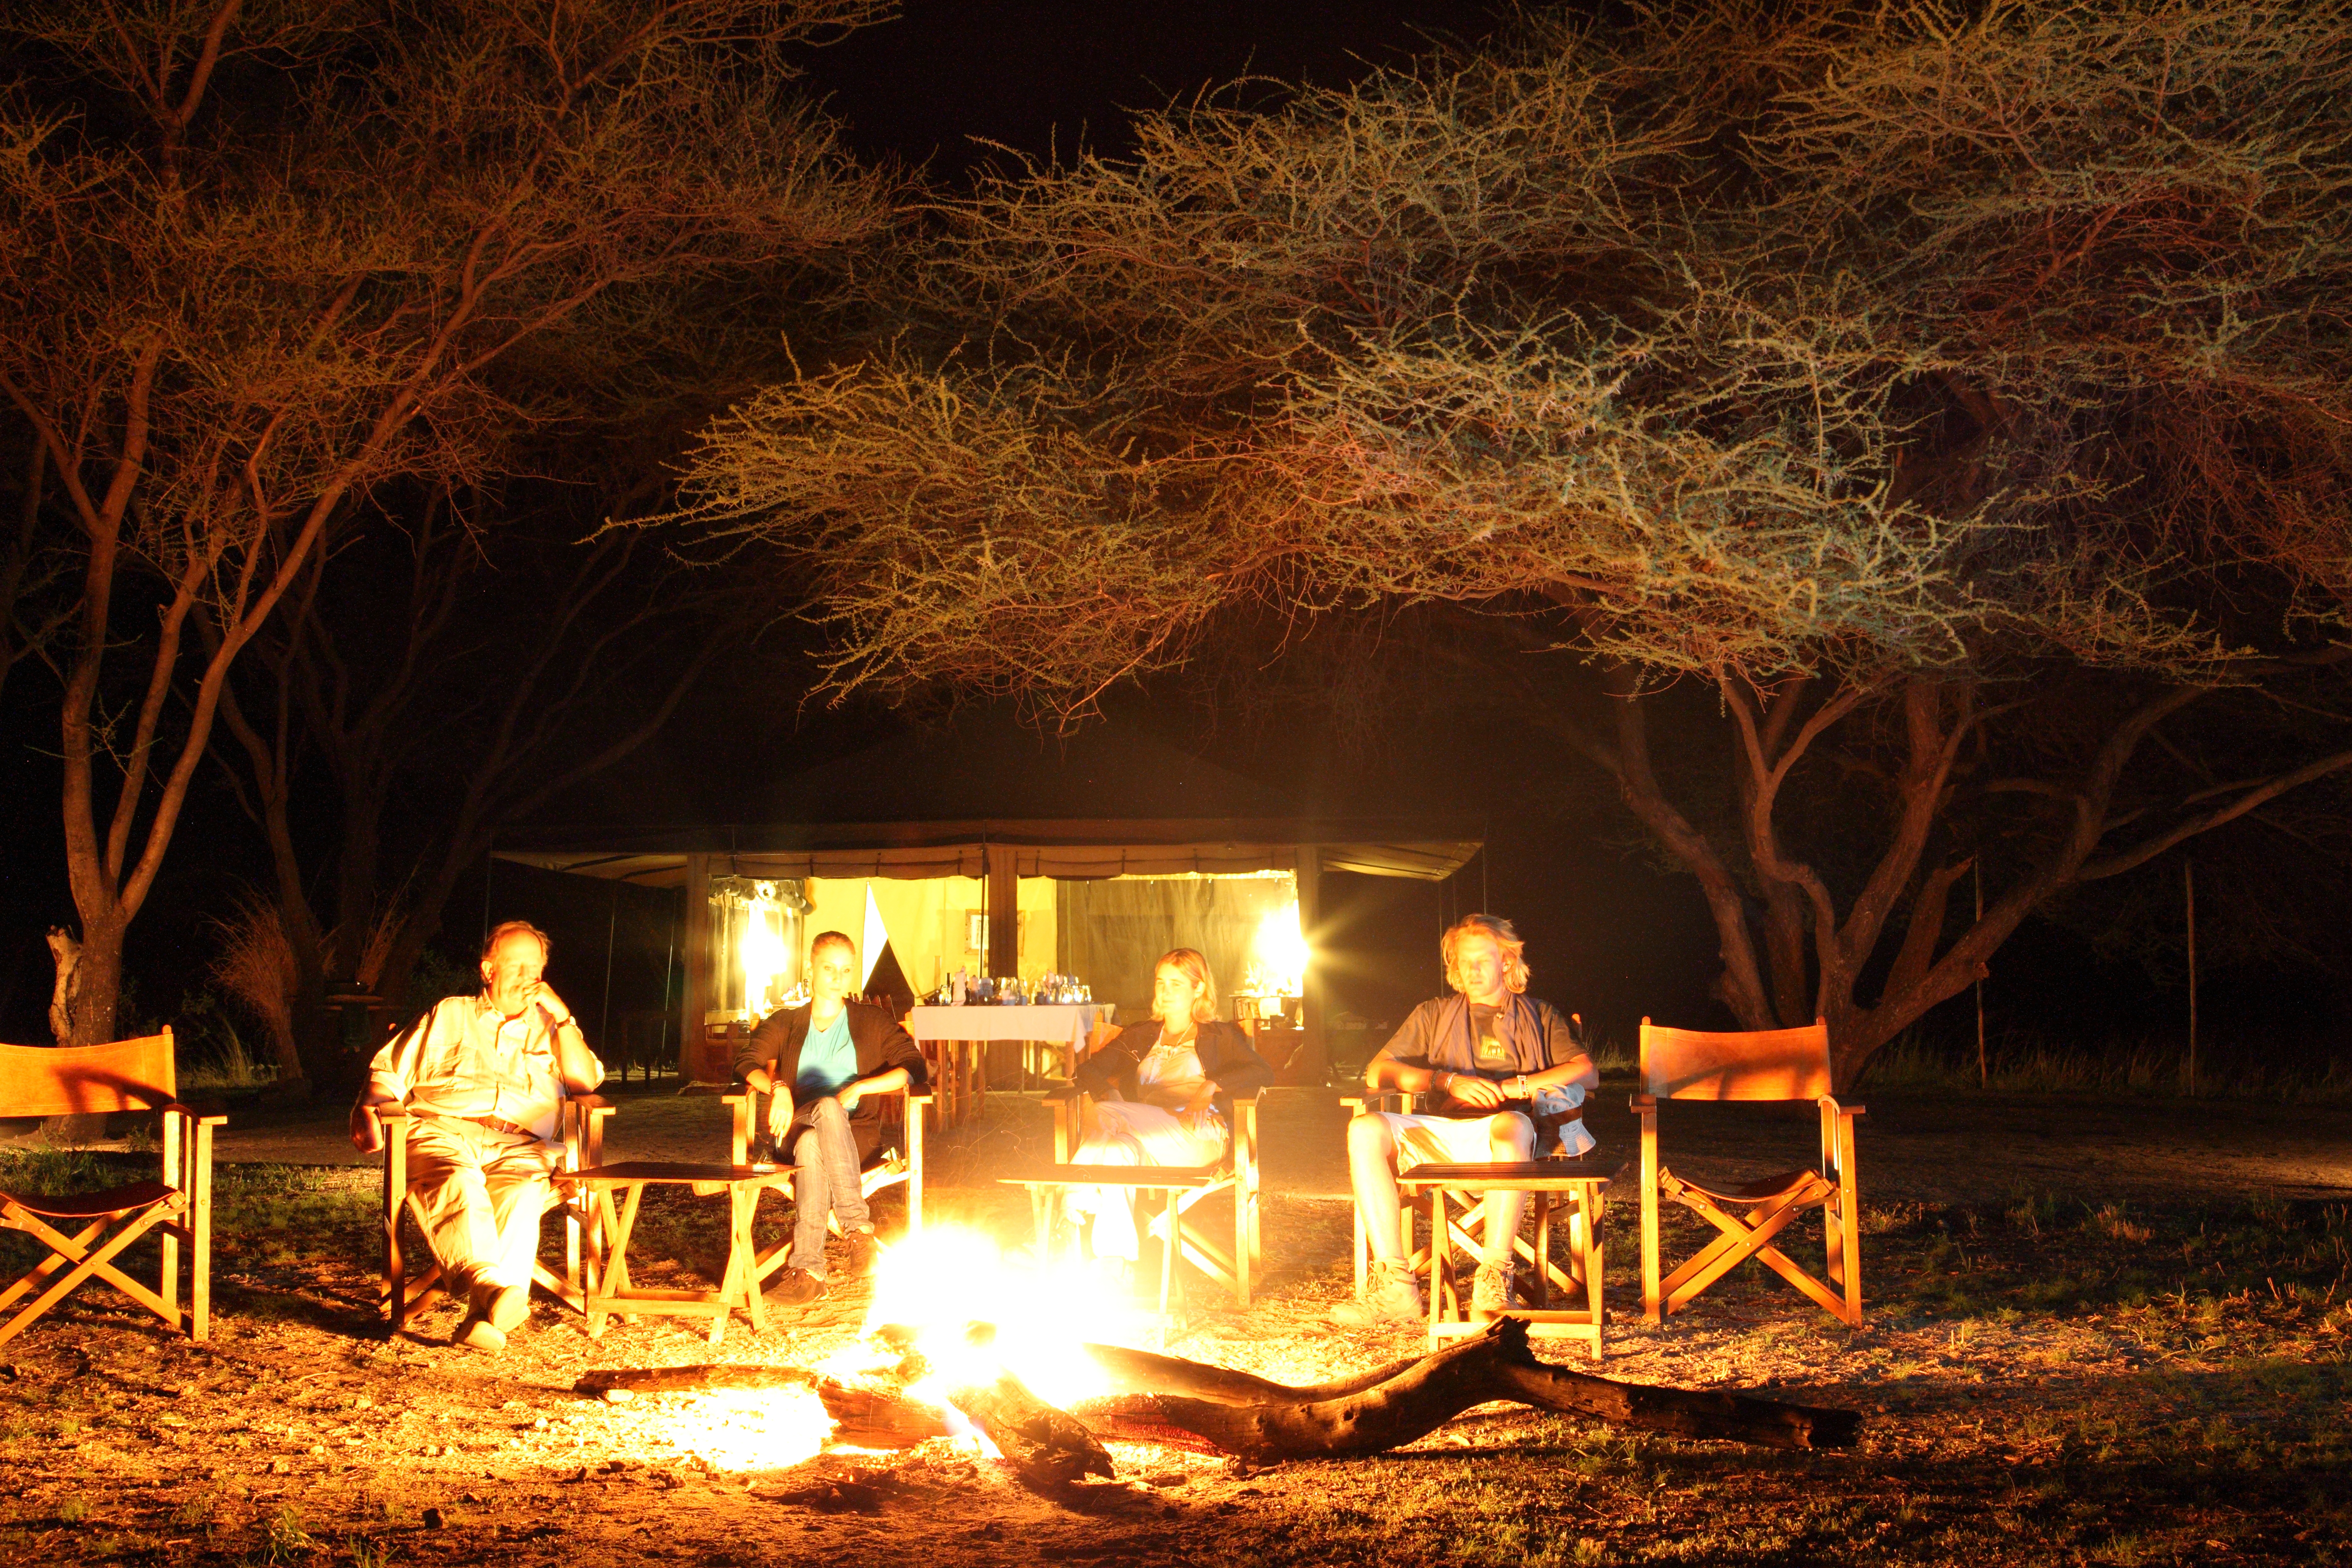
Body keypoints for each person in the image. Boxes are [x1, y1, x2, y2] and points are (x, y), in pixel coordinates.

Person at [350, 920, 606, 1352]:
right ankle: (489, 1293)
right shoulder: (448, 1013)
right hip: (443, 1132)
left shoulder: (553, 1027)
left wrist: (563, 1019)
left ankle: (482, 1313)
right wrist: (364, 1106)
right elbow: (388, 1073)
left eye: (537, 967)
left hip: (521, 1147)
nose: (531, 978)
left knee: (524, 1195)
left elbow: (586, 1085)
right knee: (458, 1182)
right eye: (519, 966)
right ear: (488, 970)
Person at [1331, 913, 1597, 1328]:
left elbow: (1586, 1070)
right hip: (1444, 1131)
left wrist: (1518, 1087)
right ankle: (1397, 1286)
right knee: (1364, 1128)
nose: (1472, 970)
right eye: (1463, 961)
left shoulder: (1541, 1014)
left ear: (1506, 963)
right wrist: (1444, 1079)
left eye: (1483, 960)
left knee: (1512, 1124)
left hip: (1508, 1137)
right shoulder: (1434, 1014)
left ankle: (1494, 1278)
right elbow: (1376, 1072)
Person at [736, 931, 927, 1306]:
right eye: (829, 968)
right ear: (811, 968)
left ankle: (808, 1274)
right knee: (823, 1111)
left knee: (817, 1138)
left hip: (856, 1137)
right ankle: (858, 1228)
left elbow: (914, 1066)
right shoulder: (787, 1021)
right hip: (796, 1124)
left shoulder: (869, 1020)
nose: (837, 978)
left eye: (845, 970)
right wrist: (778, 1087)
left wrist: (861, 1089)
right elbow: (746, 1062)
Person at [1062, 948, 1274, 1280]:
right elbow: (1088, 1069)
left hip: (1198, 1136)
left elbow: (1262, 1072)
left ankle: (1066, 1213)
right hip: (1147, 1137)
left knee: (1106, 1116)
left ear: (1199, 989)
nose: (1165, 992)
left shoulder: (1219, 1036)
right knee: (1116, 1151)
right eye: (1161, 982)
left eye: (1177, 984)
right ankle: (1114, 1262)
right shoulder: (1143, 1035)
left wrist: (1211, 1086)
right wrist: (1109, 1093)